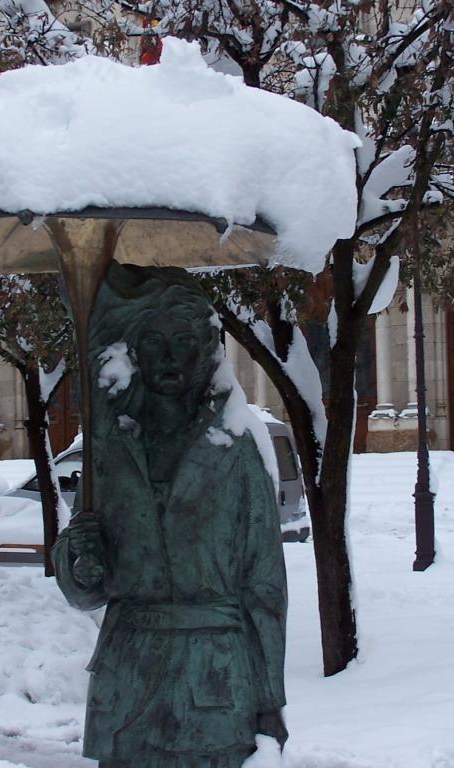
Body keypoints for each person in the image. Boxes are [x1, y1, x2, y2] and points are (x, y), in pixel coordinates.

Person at [52, 264, 288, 768]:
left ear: (203, 350)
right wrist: (82, 560)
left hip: (213, 683)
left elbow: (264, 584)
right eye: (155, 342)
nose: (169, 356)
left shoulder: (235, 448)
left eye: (183, 342)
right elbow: (85, 589)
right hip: (127, 679)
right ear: (137, 351)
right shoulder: (112, 447)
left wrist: (269, 700)